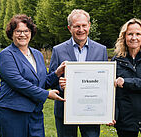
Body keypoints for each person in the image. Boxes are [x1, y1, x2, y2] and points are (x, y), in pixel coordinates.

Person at [0, 14, 66, 137]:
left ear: (31, 33)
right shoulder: (6, 55)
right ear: (11, 33)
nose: (22, 34)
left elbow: (41, 82)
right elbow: (19, 83)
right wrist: (46, 94)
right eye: (18, 31)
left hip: (35, 113)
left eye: (26, 31)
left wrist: (57, 73)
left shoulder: (37, 54)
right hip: (13, 113)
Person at [49, 9, 108, 137]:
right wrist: (60, 85)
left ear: (89, 25)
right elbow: (50, 80)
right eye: (76, 26)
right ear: (70, 28)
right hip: (65, 111)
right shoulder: (58, 50)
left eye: (84, 25)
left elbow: (105, 82)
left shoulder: (101, 50)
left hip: (92, 111)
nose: (81, 29)